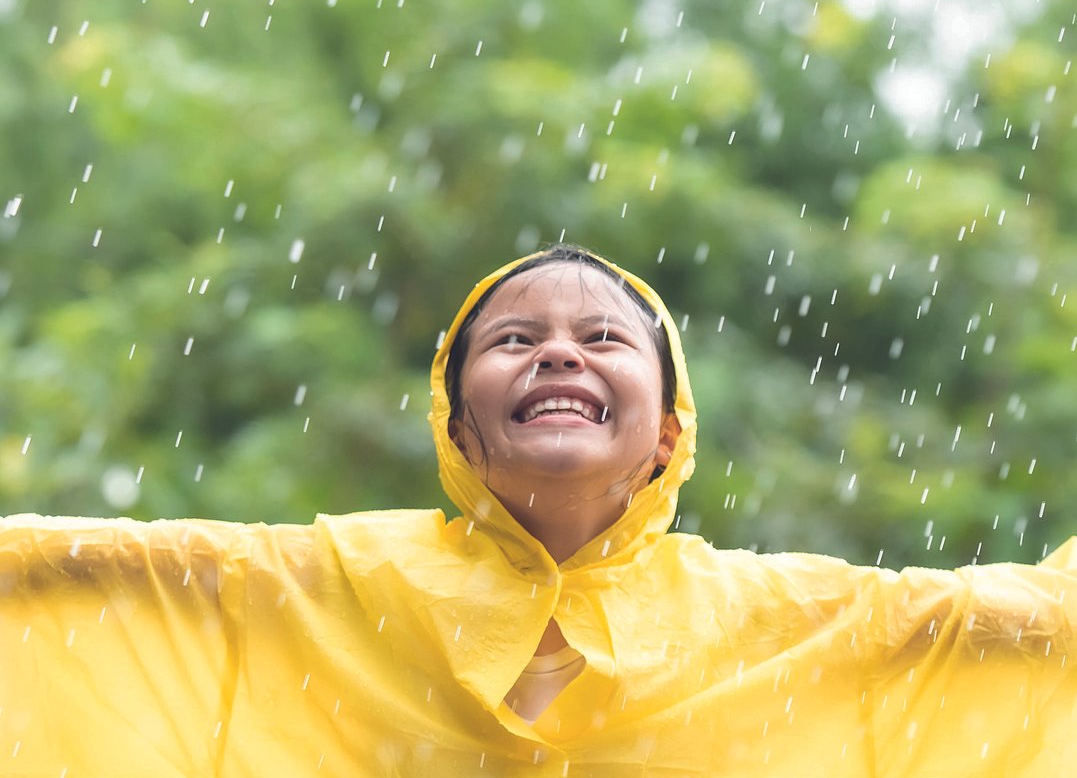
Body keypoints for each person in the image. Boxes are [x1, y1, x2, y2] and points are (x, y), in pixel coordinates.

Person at [1, 244, 1074, 776]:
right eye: (514, 340)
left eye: (603, 338)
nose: (559, 346)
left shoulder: (782, 616)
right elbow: (78, 576)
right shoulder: (328, 583)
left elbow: (1031, 628)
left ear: (668, 432)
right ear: (456, 429)